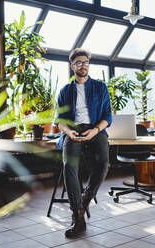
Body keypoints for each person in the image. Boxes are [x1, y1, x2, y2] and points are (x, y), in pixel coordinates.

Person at [57, 48, 112, 238]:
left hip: (96, 129)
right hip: (73, 130)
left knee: (103, 163)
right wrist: (69, 132)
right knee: (69, 165)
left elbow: (107, 116)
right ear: (72, 66)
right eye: (79, 63)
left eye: (86, 62)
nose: (83, 66)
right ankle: (78, 217)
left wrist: (95, 130)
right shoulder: (65, 91)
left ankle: (85, 198)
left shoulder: (100, 87)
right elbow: (60, 120)